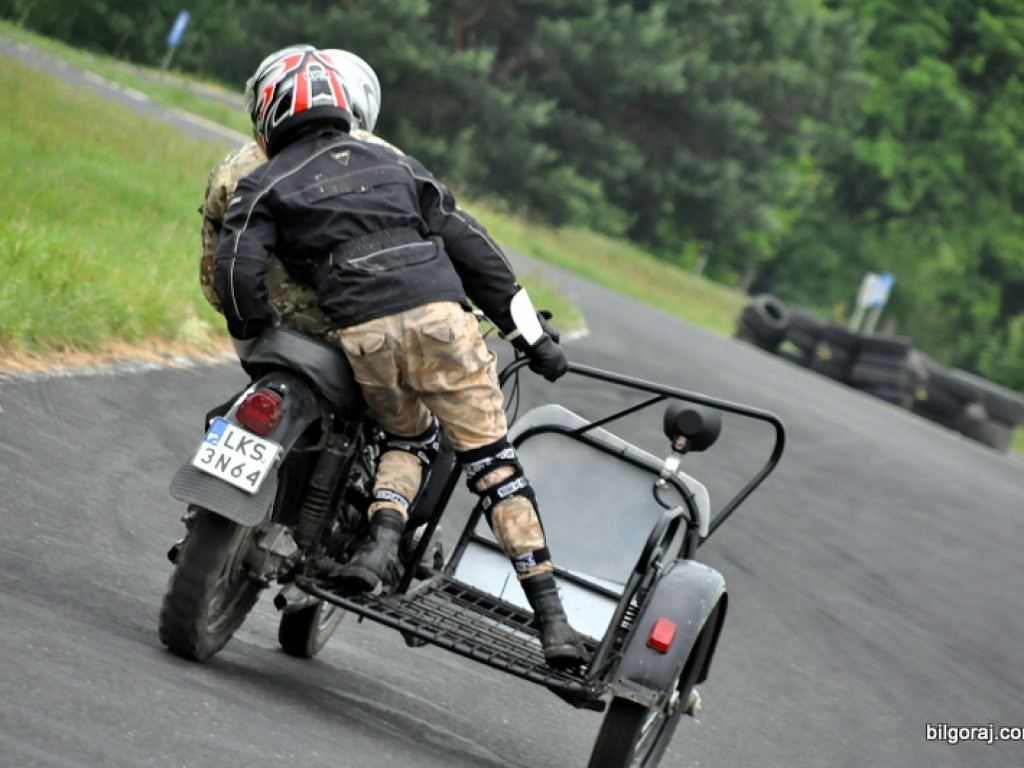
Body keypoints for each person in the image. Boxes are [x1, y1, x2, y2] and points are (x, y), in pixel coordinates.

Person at [212, 46, 586, 669]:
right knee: (494, 467)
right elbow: (476, 251)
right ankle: (554, 623)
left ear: (268, 118)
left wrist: (252, 325)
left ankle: (379, 545)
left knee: (406, 437)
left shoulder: (265, 181)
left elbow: (235, 268)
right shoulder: (396, 164)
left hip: (364, 335)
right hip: (442, 324)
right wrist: (534, 341)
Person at [199, 46, 399, 340]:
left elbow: (213, 278)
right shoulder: (387, 157)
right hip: (370, 321)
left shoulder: (233, 166)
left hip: (268, 326)